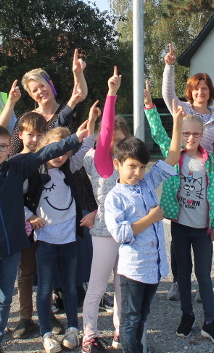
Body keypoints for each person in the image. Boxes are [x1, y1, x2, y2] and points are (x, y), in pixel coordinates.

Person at [0, 124, 89, 353]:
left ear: (9, 148)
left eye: (2, 147)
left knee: (3, 300)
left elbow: (45, 153)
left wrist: (75, 139)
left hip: (12, 249)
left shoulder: (16, 168)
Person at [12, 51, 98, 304]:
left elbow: (79, 94)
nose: (40, 92)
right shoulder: (27, 120)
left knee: (77, 235)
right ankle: (54, 288)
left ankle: (75, 283)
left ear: (50, 84)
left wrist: (77, 73)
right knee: (48, 237)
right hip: (42, 189)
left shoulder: (67, 110)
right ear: (30, 95)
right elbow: (18, 154)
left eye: (43, 85)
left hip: (74, 180)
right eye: (34, 89)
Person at [103, 107, 182, 353]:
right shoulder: (115, 197)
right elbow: (121, 234)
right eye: (132, 166)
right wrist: (151, 218)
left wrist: (177, 123)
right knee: (130, 320)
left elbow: (172, 157)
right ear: (118, 164)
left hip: (153, 266)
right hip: (133, 270)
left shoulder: (147, 182)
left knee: (143, 316)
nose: (138, 172)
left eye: (142, 167)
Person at [159, 110, 214, 345]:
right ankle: (187, 315)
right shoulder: (174, 157)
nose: (190, 138)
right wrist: (149, 109)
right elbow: (159, 134)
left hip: (202, 230)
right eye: (186, 133)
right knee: (183, 274)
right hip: (180, 226)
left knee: (204, 275)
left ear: (202, 135)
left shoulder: (210, 162)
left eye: (195, 134)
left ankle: (210, 322)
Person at [162, 43, 214, 302]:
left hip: (204, 179)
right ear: (190, 92)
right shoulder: (183, 110)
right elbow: (167, 95)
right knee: (179, 237)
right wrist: (169, 66)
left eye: (204, 88)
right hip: (180, 179)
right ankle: (178, 282)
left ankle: (203, 284)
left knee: (202, 237)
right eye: (196, 88)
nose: (200, 91)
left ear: (210, 92)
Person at [32, 119, 97, 353]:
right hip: (45, 241)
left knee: (71, 286)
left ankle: (72, 328)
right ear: (46, 148)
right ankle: (46, 333)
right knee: (45, 288)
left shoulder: (69, 169)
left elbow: (87, 141)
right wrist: (29, 216)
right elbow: (18, 198)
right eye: (55, 150)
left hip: (69, 240)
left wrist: (92, 120)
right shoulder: (34, 172)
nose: (60, 156)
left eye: (65, 151)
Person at [81, 67, 131, 353]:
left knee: (123, 286)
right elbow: (107, 128)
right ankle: (90, 335)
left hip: (127, 233)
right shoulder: (101, 162)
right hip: (103, 231)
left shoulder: (131, 167)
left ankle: (119, 331)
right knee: (98, 285)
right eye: (113, 139)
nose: (116, 143)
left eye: (122, 140)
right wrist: (111, 93)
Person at [13, 112, 65, 339]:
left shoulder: (50, 160)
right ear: (20, 135)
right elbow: (12, 196)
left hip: (48, 225)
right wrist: (28, 215)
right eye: (30, 135)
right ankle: (25, 317)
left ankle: (47, 313)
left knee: (46, 270)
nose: (34, 139)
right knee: (25, 272)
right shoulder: (15, 163)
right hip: (24, 224)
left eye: (39, 135)